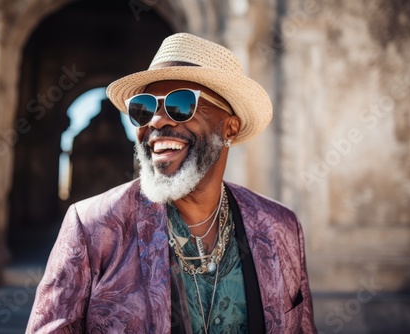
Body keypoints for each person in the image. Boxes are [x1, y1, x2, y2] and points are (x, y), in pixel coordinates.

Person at [26, 32, 317, 334]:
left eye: (180, 104)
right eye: (143, 108)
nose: (155, 121)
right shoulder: (93, 227)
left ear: (230, 128)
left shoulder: (281, 227)